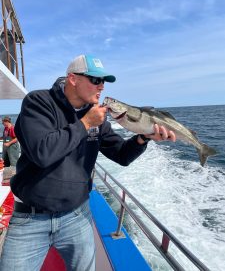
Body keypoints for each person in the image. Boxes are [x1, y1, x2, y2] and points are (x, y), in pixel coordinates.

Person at [0, 54, 176, 271]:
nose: (101, 86)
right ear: (73, 79)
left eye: (104, 81)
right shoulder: (39, 102)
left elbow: (122, 155)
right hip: (30, 219)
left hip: (77, 216)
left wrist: (144, 137)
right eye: (95, 80)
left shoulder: (96, 118)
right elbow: (42, 153)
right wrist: (84, 124)